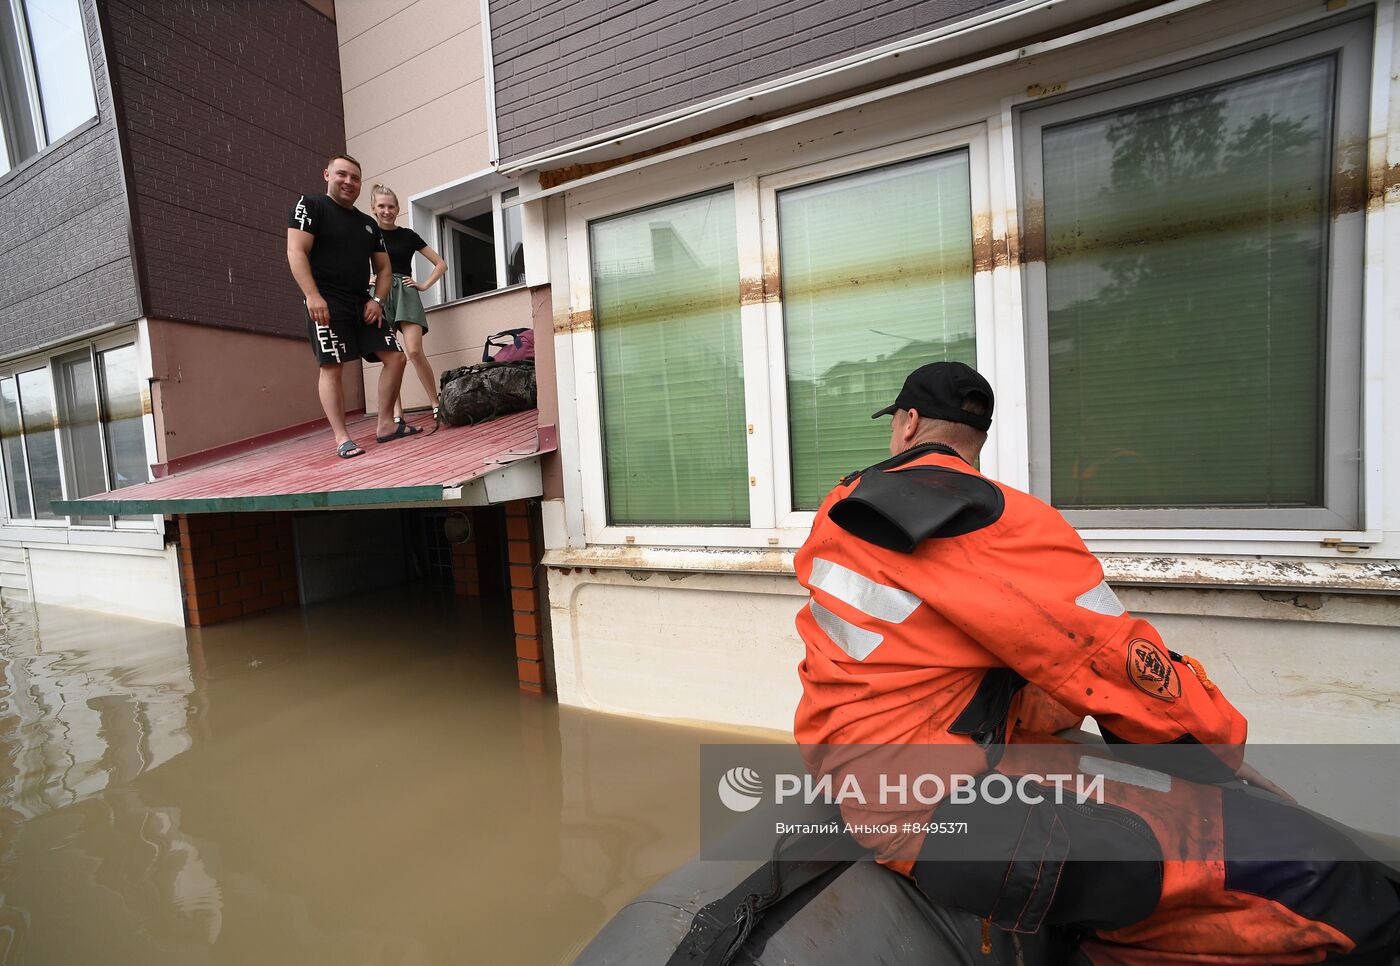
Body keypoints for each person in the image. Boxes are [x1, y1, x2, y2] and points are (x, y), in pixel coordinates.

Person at [793, 361, 1400, 964]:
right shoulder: (991, 521)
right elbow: (1114, 664)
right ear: (978, 438)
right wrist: (1216, 757)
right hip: (939, 800)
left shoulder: (842, 507)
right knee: (1327, 883)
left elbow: (933, 666)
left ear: (908, 423)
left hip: (869, 774)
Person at [287, 154, 419, 458]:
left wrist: (376, 300)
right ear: (327, 175)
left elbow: (384, 270)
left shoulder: (367, 224)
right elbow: (296, 251)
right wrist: (312, 295)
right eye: (342, 175)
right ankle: (342, 438)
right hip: (325, 301)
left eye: (355, 178)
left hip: (362, 301)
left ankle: (386, 425)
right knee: (332, 367)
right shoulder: (311, 205)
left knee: (396, 357)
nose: (348, 182)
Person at [368, 184, 448, 425]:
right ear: (374, 208)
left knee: (413, 350)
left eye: (391, 206)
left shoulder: (408, 235)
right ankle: (396, 414)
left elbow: (441, 264)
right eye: (381, 206)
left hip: (405, 292)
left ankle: (436, 403)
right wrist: (366, 282)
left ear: (398, 208)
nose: (386, 210)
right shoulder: (369, 235)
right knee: (391, 356)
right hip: (379, 295)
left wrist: (423, 285)